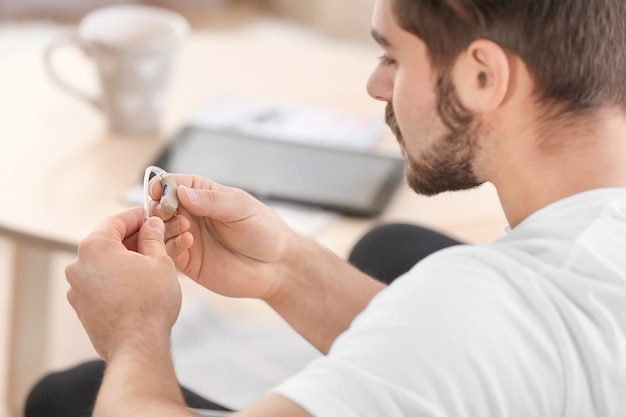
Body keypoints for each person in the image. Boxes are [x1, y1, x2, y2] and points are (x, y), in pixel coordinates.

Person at [25, 0, 626, 415]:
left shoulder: (478, 306)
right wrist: (282, 266)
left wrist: (135, 332)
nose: (376, 85)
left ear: (482, 75)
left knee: (69, 396)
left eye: (393, 58)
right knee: (390, 249)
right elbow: (467, 343)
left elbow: (461, 331)